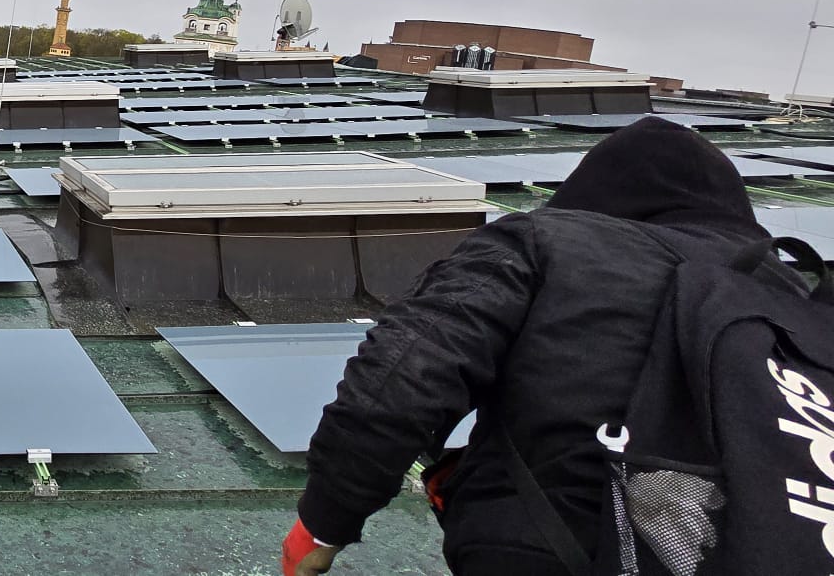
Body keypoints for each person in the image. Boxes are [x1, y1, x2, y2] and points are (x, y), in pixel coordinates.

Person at [278, 116, 772, 575]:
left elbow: (403, 380)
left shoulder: (549, 242)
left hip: (553, 548)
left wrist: (325, 522)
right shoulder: (791, 293)